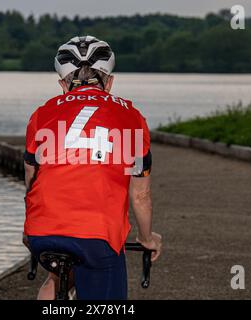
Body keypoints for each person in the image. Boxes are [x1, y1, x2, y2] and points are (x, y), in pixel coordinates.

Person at [23, 35, 162, 300]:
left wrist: (28, 229)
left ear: (63, 85)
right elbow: (141, 196)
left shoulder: (42, 113)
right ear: (109, 82)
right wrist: (147, 238)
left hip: (43, 231)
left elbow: (31, 178)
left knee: (55, 278)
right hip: (97, 233)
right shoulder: (132, 117)